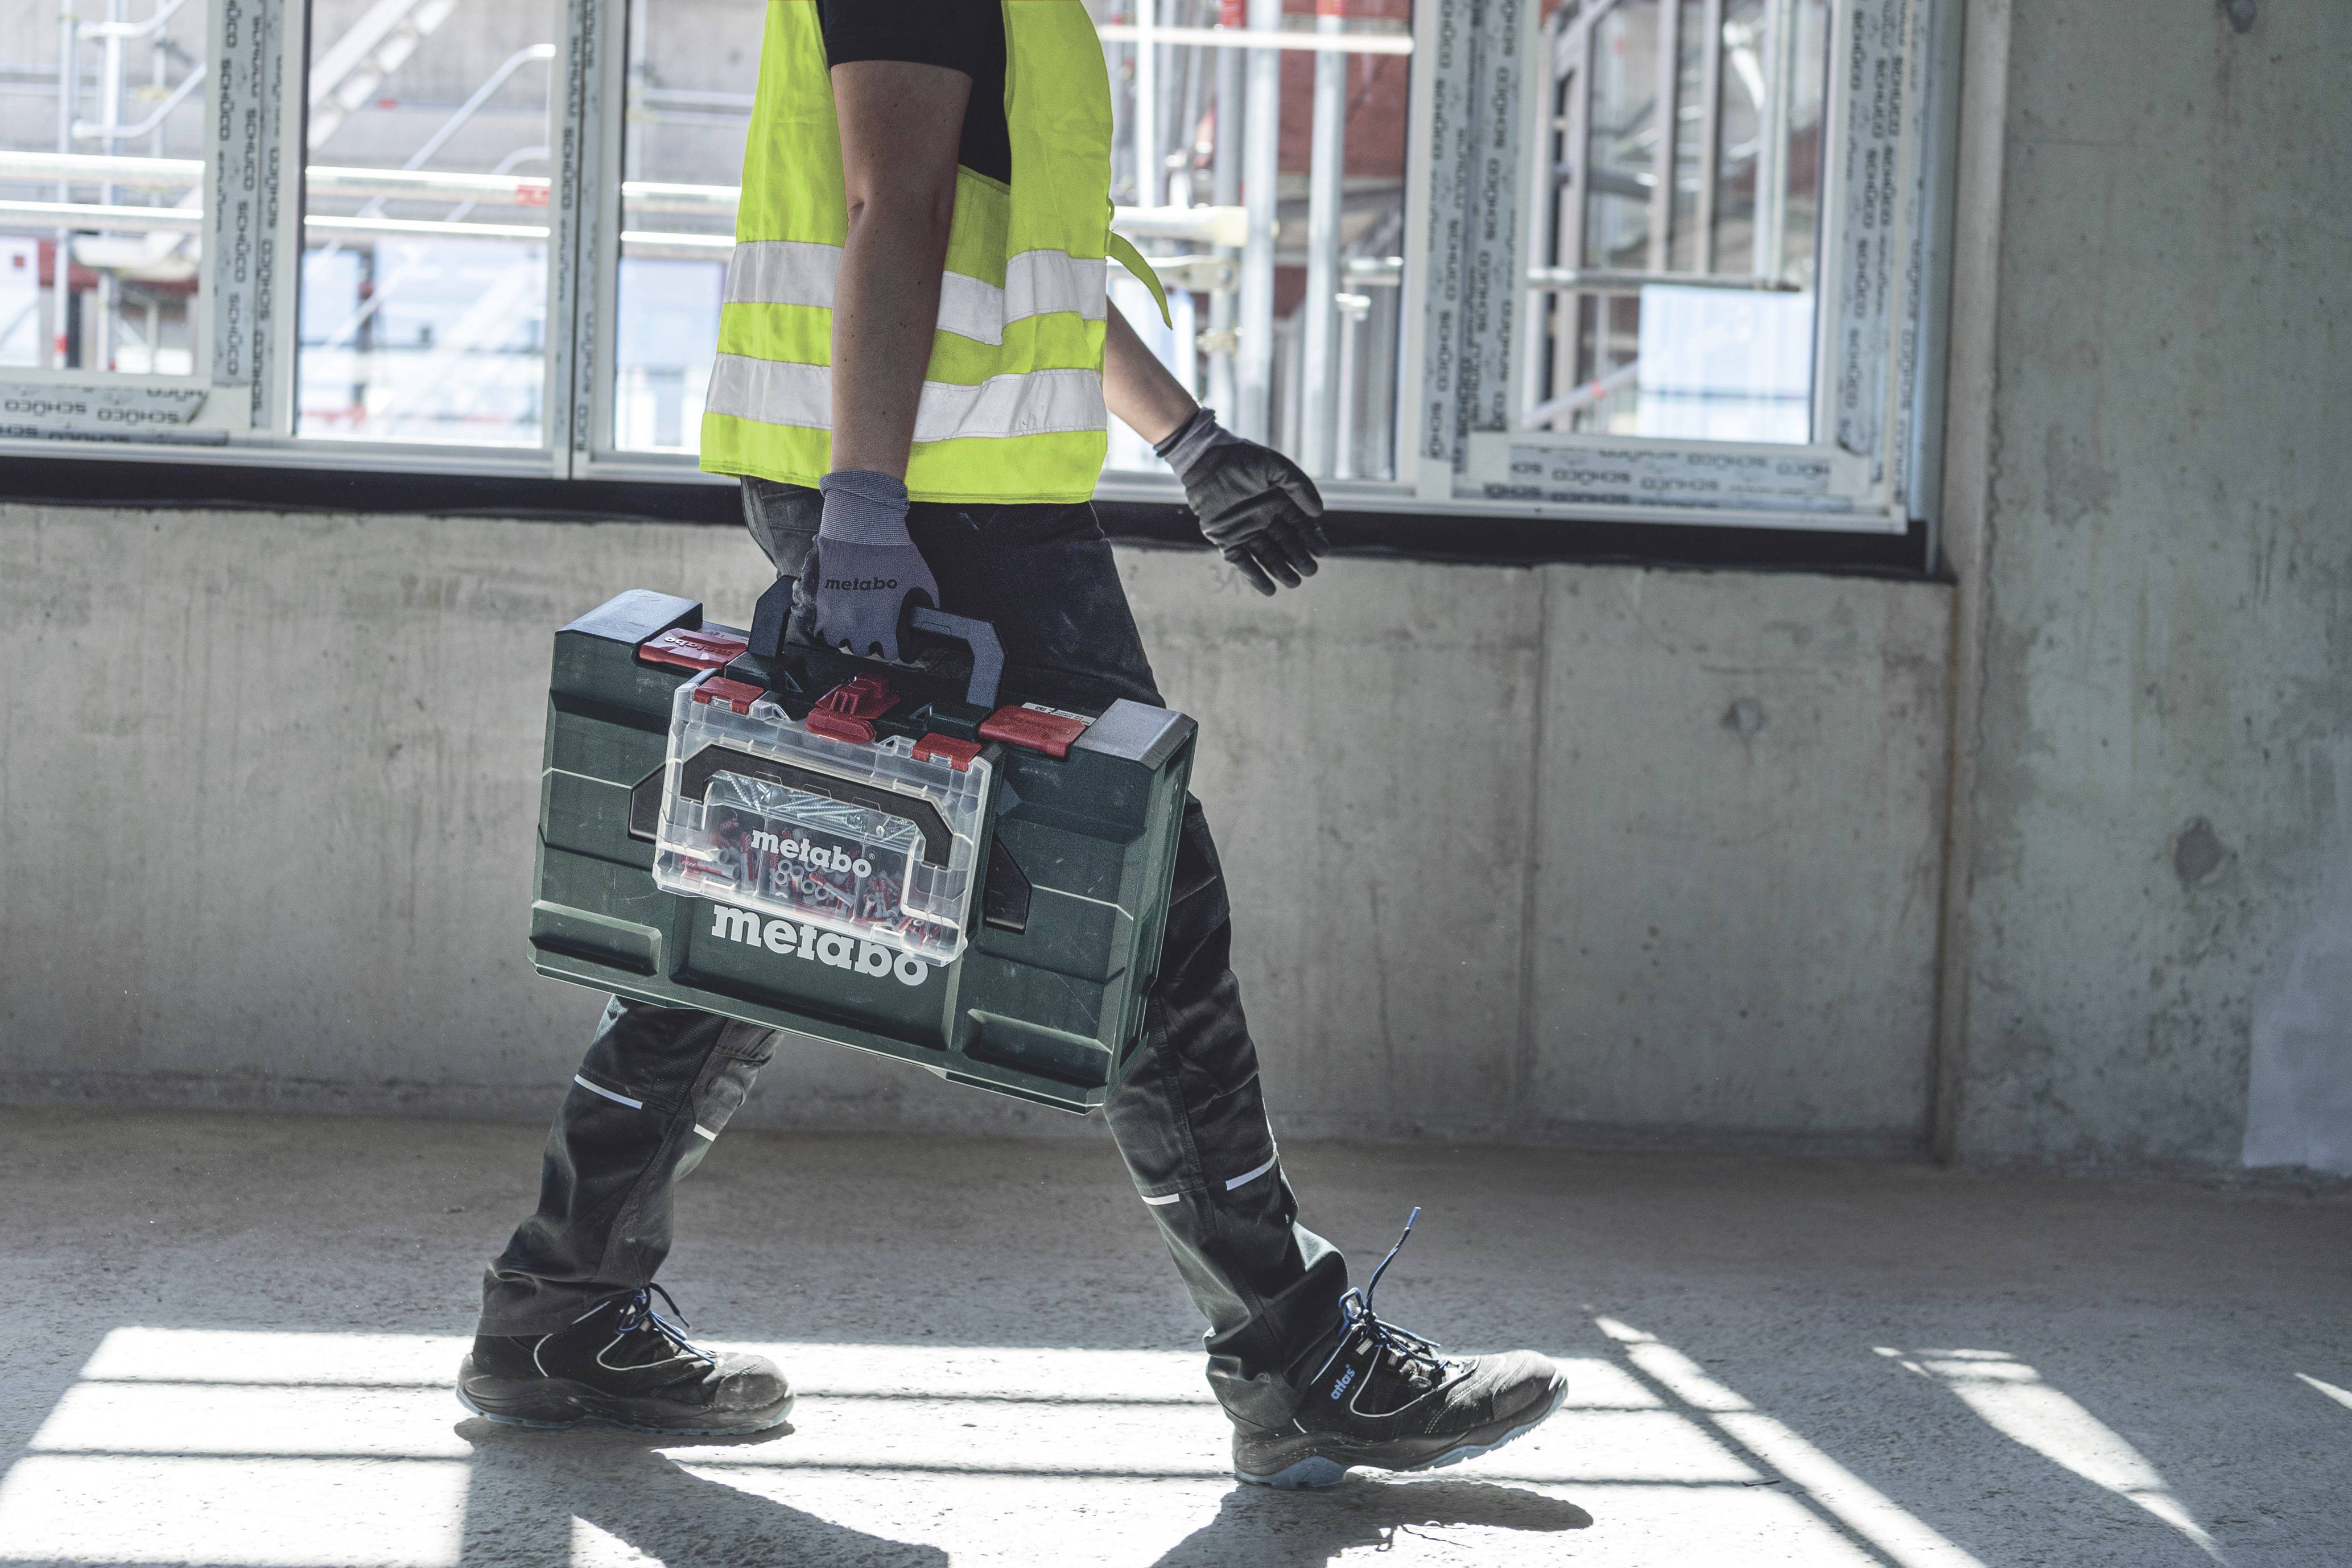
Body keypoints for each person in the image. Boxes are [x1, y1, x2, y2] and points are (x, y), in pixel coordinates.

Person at [456, 0, 1565, 1489]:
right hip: (933, 513)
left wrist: (1185, 439)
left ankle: (558, 1309)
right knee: (1148, 911)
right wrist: (862, 515)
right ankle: (1300, 1356)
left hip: (940, 497)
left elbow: (1002, 257)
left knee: (763, 892)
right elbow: (890, 205)